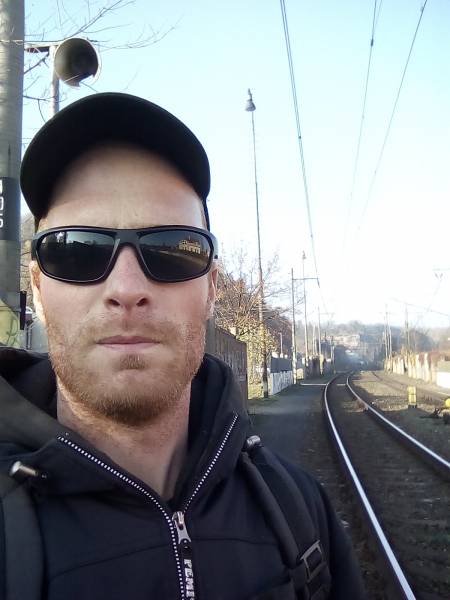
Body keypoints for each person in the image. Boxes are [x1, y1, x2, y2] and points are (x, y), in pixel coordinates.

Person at [0, 92, 365, 599]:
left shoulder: (302, 514)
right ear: (39, 290)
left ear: (212, 289)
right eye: (77, 250)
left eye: (171, 250)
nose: (126, 288)